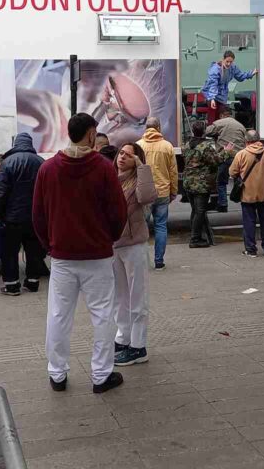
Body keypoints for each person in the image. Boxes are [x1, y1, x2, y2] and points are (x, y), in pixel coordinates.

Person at [32, 113, 128, 393]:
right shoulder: (103, 168)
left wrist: (50, 245)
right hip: (98, 256)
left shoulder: (48, 169)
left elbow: (37, 215)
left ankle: (57, 373)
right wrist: (108, 239)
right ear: (90, 135)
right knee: (103, 315)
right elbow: (118, 211)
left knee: (58, 315)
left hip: (62, 257)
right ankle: (101, 375)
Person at [112, 143, 157, 367]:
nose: (123, 157)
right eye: (121, 153)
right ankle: (123, 338)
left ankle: (138, 346)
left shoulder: (138, 180)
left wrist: (142, 168)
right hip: (113, 245)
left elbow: (147, 196)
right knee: (120, 296)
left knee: (137, 296)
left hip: (134, 244)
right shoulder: (111, 178)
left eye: (129, 156)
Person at [0, 133, 48, 296]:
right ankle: (32, 282)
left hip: (12, 217)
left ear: (16, 144)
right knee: (34, 251)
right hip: (34, 217)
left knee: (10, 252)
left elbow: (1, 191)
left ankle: (12, 286)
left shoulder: (8, 162)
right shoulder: (41, 162)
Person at [229, 130, 264, 258]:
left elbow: (232, 172)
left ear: (246, 141)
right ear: (259, 140)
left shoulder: (241, 154)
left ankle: (251, 249)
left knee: (249, 222)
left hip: (248, 195)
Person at [137, 117, 178, 270]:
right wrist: (173, 191)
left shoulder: (138, 146)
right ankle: (159, 261)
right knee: (161, 226)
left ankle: (142, 261)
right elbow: (173, 172)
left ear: (146, 128)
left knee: (142, 227)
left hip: (145, 193)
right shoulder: (167, 146)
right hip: (162, 192)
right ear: (159, 128)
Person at [183, 120, 227, 248]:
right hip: (200, 184)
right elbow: (216, 161)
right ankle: (195, 239)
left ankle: (195, 235)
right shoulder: (205, 147)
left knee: (195, 210)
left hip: (188, 182)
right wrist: (226, 151)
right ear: (204, 132)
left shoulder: (187, 145)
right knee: (200, 211)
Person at [206, 106, 246, 213]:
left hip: (225, 156)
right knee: (240, 180)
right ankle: (244, 201)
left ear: (221, 115)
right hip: (239, 157)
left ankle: (223, 204)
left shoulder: (220, 123)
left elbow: (207, 131)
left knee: (221, 181)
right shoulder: (240, 125)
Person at [200, 50, 258, 123]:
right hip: (211, 94)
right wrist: (212, 99)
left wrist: (251, 74)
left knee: (221, 116)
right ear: (223, 59)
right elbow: (213, 84)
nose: (228, 64)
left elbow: (240, 76)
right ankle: (211, 129)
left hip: (222, 95)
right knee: (212, 116)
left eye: (231, 62)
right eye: (227, 61)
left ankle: (220, 128)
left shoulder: (232, 68)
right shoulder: (215, 69)